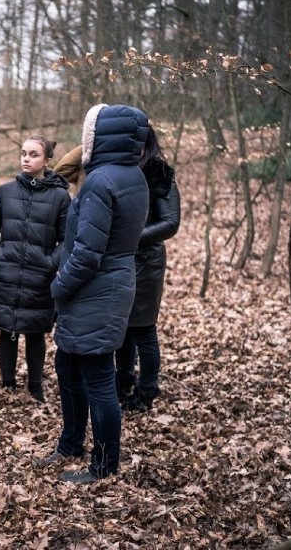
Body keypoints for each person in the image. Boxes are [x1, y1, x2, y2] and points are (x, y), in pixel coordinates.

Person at [40, 104, 150, 484]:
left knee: (99, 377)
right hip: (106, 285)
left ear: (99, 136)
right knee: (67, 366)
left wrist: (58, 287)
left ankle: (103, 466)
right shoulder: (129, 173)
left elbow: (88, 253)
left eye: (88, 132)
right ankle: (70, 444)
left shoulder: (102, 182)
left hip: (96, 288)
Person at [0, 136, 70, 402]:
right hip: (6, 274)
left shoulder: (60, 197)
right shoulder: (5, 192)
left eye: (33, 154)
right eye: (23, 153)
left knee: (35, 331)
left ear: (47, 160)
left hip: (39, 275)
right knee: (7, 329)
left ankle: (35, 386)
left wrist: (50, 262)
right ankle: (8, 384)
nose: (26, 159)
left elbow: (68, 238)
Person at [115, 126, 181, 412]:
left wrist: (132, 235)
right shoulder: (122, 170)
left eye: (139, 143)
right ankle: (123, 380)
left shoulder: (160, 173)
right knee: (123, 327)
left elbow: (171, 223)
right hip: (122, 258)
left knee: (143, 329)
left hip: (148, 261)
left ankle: (147, 389)